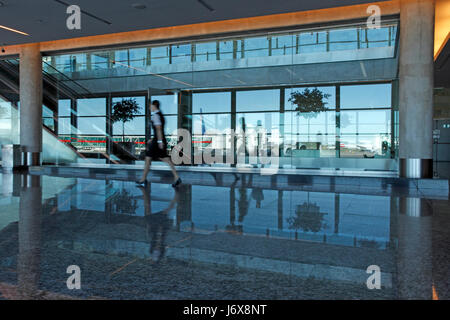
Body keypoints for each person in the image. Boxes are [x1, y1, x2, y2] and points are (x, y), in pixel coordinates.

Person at [136, 100, 182, 187]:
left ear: (154, 106)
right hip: (159, 140)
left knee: (148, 159)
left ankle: (143, 179)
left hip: (158, 141)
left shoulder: (156, 116)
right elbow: (159, 130)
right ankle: (177, 177)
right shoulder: (160, 115)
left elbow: (158, 129)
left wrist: (159, 141)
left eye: (150, 106)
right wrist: (155, 139)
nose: (149, 108)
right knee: (165, 159)